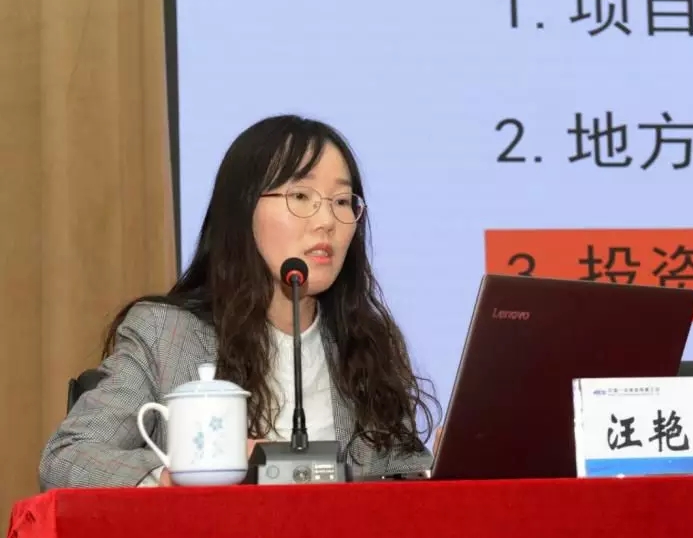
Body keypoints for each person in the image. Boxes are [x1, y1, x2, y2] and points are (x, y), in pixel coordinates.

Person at [39, 114, 440, 488]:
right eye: (301, 196)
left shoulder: (367, 344)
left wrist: (441, 469)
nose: (327, 221)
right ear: (243, 210)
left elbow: (403, 483)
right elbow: (67, 459)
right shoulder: (167, 336)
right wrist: (173, 476)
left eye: (341, 200)